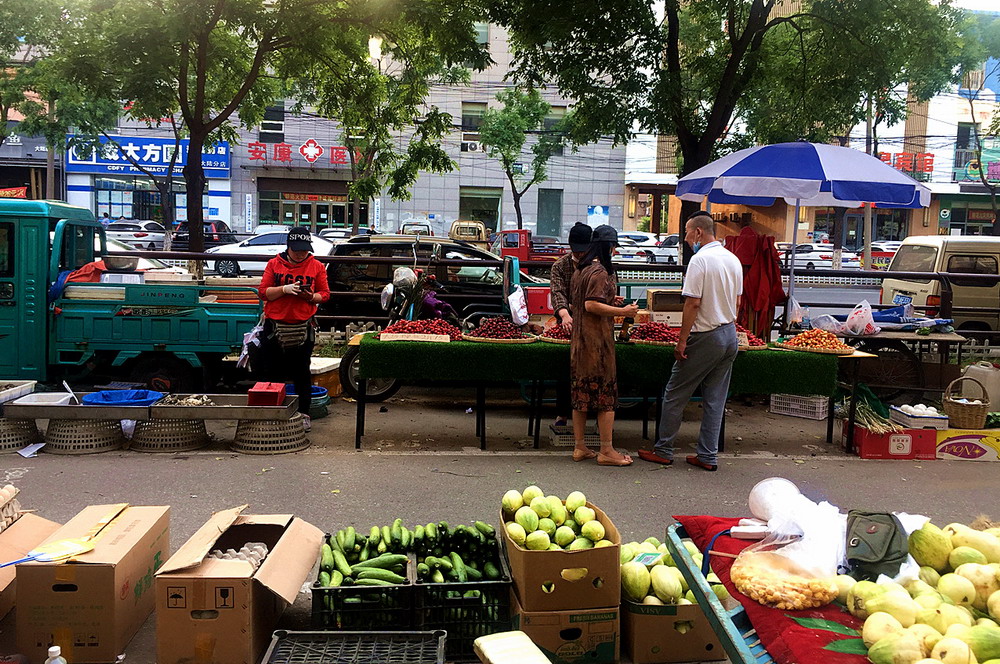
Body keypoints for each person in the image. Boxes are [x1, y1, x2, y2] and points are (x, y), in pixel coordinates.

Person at [639, 212, 743, 471]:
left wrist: (682, 341)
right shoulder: (732, 260)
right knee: (715, 398)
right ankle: (707, 455)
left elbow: (692, 303)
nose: (685, 238)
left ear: (698, 232)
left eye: (687, 232)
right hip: (729, 333)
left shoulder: (700, 261)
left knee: (675, 393)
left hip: (706, 336)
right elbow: (738, 302)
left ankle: (664, 449)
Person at [569, 224, 638, 466]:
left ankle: (580, 447)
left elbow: (585, 301)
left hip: (579, 344)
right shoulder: (599, 271)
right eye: (614, 247)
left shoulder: (581, 269)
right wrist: (622, 309)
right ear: (607, 246)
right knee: (606, 397)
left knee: (581, 396)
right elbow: (591, 305)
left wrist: (610, 299)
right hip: (597, 345)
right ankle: (606, 450)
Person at [256, 227, 330, 431]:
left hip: (302, 326)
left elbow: (325, 294)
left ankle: (304, 413)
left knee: (302, 373)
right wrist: (284, 290)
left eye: (304, 250)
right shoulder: (274, 264)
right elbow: (263, 293)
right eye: (296, 249)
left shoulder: (316, 267)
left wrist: (310, 296)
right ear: (288, 247)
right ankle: (274, 414)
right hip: (274, 325)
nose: (300, 253)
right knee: (272, 372)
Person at [549, 222, 593, 427]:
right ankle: (562, 414)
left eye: (584, 251)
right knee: (565, 371)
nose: (580, 255)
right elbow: (557, 292)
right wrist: (565, 315)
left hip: (592, 323)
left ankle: (590, 415)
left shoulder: (597, 265)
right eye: (577, 251)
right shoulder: (560, 266)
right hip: (567, 323)